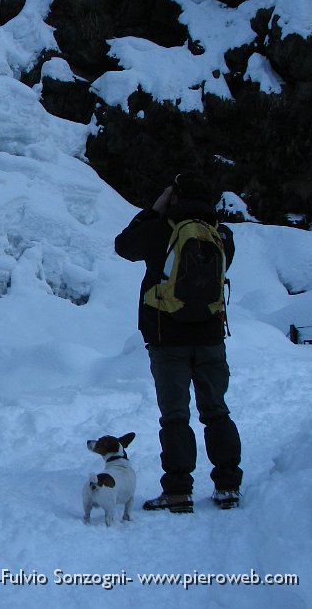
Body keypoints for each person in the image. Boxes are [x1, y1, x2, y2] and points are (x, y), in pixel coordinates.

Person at [114, 172, 242, 512]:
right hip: (212, 337)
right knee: (216, 411)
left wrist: (154, 211)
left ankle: (178, 491)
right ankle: (228, 485)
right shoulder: (221, 235)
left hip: (167, 338)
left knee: (175, 416)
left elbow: (123, 245)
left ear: (174, 196)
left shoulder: (160, 230)